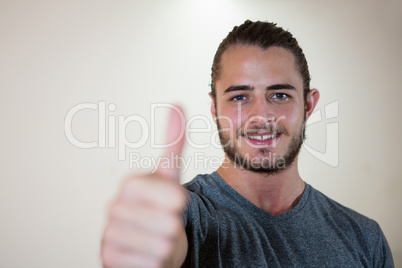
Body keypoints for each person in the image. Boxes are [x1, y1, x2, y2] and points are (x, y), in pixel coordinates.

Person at [101, 20, 394, 267]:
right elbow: (164, 246)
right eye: (239, 97)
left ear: (308, 104)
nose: (261, 116)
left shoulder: (365, 238)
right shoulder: (185, 218)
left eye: (279, 95)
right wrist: (141, 250)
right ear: (215, 109)